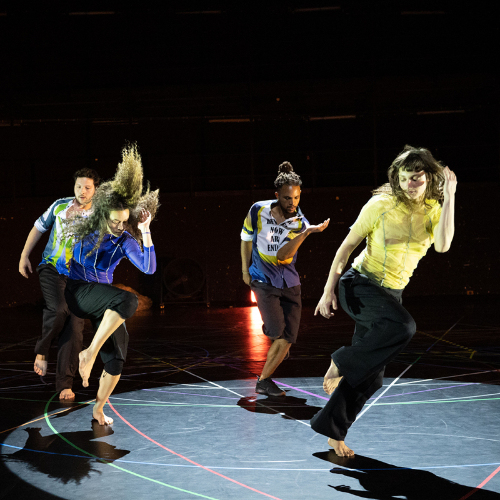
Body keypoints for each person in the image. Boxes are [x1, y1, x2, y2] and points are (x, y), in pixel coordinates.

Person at [312, 145, 457, 457]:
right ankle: (341, 360)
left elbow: (443, 245)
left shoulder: (434, 209)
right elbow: (346, 248)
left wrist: (451, 195)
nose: (409, 185)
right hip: (358, 285)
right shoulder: (381, 204)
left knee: (371, 378)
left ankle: (333, 434)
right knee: (404, 326)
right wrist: (328, 290)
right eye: (404, 179)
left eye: (416, 179)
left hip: (389, 294)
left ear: (430, 178)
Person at [63, 144, 159, 425]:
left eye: (124, 222)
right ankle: (89, 353)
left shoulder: (126, 240)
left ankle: (98, 408)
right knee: (128, 301)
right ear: (104, 215)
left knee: (117, 359)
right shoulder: (89, 229)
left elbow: (149, 268)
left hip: (104, 301)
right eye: (115, 222)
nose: (119, 226)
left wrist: (145, 231)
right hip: (79, 292)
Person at [241, 161, 330, 397]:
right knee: (276, 332)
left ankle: (263, 381)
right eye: (288, 198)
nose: (293, 203)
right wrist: (244, 269)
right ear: (277, 195)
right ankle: (276, 341)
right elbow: (246, 238)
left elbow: (284, 256)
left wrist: (305, 233)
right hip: (263, 281)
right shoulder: (257, 210)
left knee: (287, 338)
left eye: (297, 198)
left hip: (290, 284)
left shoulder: (300, 223)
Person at [19, 168, 100, 400]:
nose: (82, 192)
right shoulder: (60, 206)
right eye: (78, 187)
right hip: (52, 268)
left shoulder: (99, 214)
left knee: (75, 328)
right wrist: (24, 255)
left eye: (87, 187)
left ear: (95, 189)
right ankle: (41, 352)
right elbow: (38, 227)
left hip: (79, 277)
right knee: (59, 309)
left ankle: (65, 383)